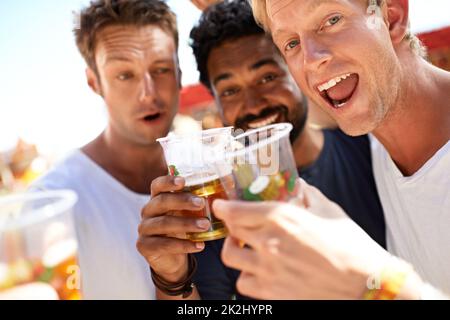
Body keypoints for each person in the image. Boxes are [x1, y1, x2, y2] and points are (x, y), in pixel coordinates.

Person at [136, 0, 385, 300]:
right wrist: (172, 278)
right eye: (230, 90)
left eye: (267, 77)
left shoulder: (372, 152)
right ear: (215, 101)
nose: (253, 104)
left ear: (296, 68)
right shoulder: (214, 210)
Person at [208, 0, 450, 299]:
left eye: (331, 20)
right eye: (292, 43)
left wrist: (370, 283)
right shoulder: (373, 137)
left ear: (392, 17)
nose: (311, 60)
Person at [32, 0, 181, 299]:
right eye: (125, 75)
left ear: (179, 70)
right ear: (94, 82)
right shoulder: (51, 204)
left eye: (161, 68)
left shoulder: (212, 173)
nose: (148, 93)